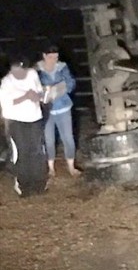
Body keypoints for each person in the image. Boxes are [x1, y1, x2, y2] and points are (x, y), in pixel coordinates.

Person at [0, 54, 48, 196]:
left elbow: (40, 92)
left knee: (37, 151)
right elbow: (6, 103)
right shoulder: (6, 82)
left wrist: (38, 97)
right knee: (21, 152)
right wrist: (25, 97)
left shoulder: (32, 74)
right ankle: (23, 184)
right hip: (15, 120)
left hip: (34, 118)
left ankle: (39, 184)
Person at [36, 42, 81, 177]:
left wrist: (57, 89)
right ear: (44, 56)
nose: (53, 60)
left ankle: (71, 166)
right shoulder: (37, 70)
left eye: (56, 57)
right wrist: (44, 91)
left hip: (63, 107)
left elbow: (71, 83)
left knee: (68, 137)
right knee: (48, 139)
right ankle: (51, 167)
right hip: (46, 109)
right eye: (51, 57)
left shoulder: (62, 67)